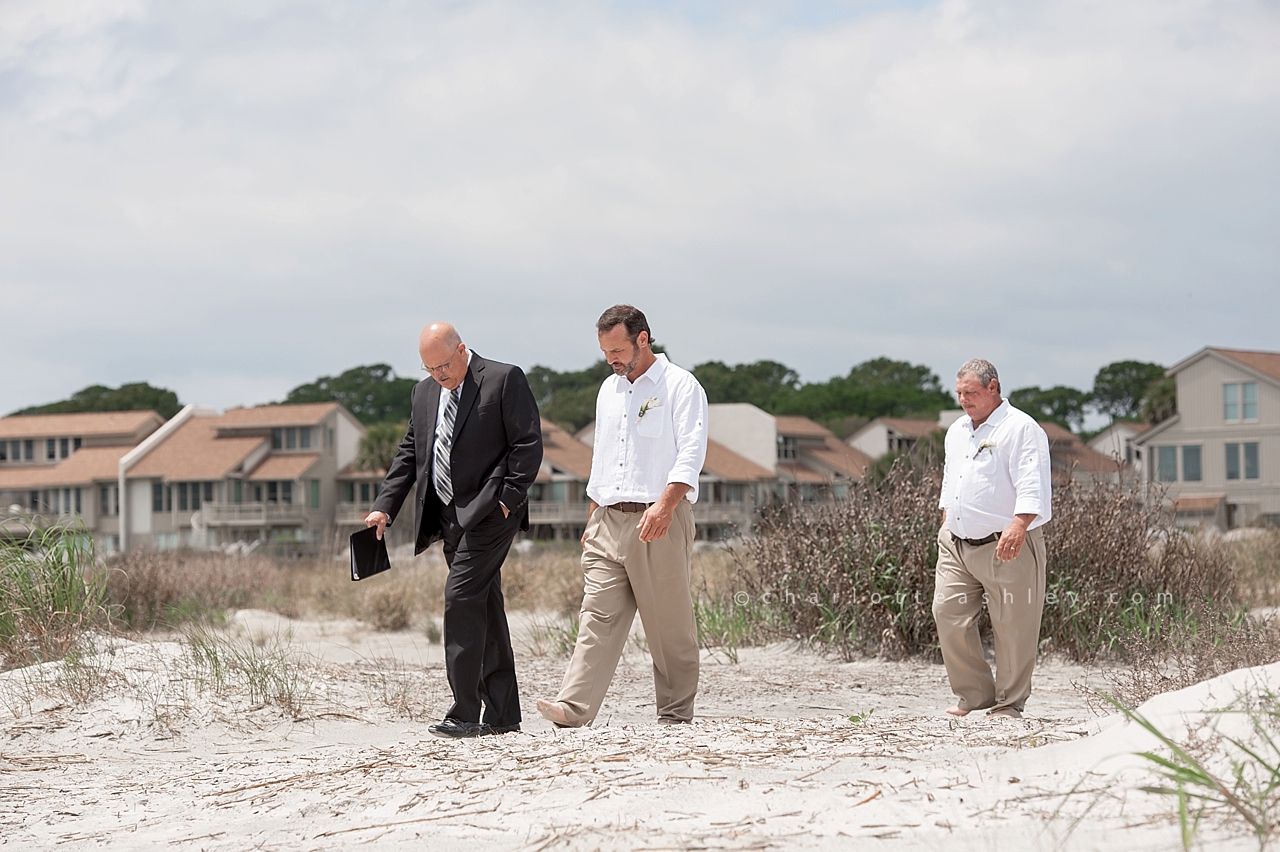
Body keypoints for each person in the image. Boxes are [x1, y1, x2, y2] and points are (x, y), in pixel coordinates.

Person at [366, 322, 542, 738]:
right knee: (484, 607)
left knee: (460, 596)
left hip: (492, 513)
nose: (439, 375)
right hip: (447, 518)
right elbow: (410, 452)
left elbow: (527, 444)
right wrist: (383, 508)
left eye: (444, 365)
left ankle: (465, 713)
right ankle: (503, 716)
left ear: (462, 349)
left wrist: (506, 500)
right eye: (430, 368)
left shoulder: (503, 378)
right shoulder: (423, 392)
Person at [536, 305, 709, 727]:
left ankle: (674, 712)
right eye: (605, 352)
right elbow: (605, 455)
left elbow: (691, 451)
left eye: (618, 350)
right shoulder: (607, 390)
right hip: (607, 520)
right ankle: (574, 709)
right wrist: (593, 513)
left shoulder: (681, 385)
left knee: (668, 626)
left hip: (659, 519)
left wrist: (666, 505)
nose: (611, 359)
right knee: (597, 616)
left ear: (643, 339)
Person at [932, 358, 1052, 720]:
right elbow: (951, 478)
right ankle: (974, 695)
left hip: (1007, 542)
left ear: (993, 388)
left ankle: (1009, 702)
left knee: (1014, 625)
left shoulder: (1021, 428)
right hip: (956, 542)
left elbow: (1033, 481)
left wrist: (1019, 525)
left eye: (970, 393)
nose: (964, 400)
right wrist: (946, 518)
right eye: (959, 394)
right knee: (946, 612)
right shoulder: (956, 430)